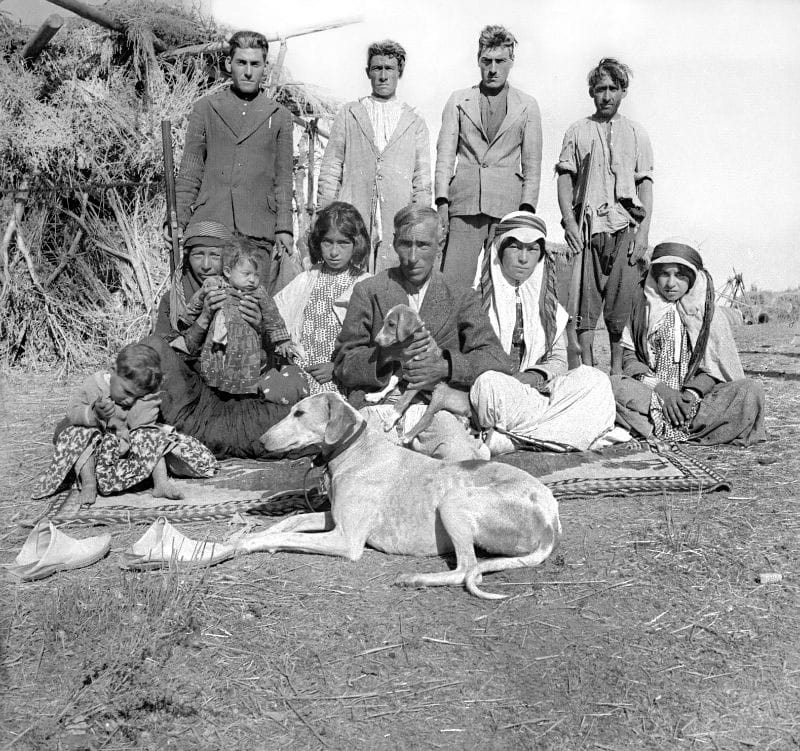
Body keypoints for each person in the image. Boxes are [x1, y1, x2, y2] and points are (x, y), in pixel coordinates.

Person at [333, 204, 514, 460]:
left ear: (440, 246)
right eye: (406, 244)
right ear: (394, 243)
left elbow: (496, 358)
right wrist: (385, 356)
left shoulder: (461, 296)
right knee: (364, 465)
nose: (413, 257)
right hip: (380, 406)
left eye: (424, 245)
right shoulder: (369, 291)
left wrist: (446, 366)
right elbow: (343, 363)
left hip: (436, 410)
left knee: (458, 458)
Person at [470, 212, 617, 454]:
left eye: (532, 250)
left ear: (541, 255)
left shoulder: (550, 307)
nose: (523, 258)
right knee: (488, 385)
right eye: (515, 247)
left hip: (539, 393)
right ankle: (560, 433)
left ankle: (514, 440)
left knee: (596, 380)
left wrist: (533, 377)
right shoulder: (474, 300)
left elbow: (559, 361)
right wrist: (509, 381)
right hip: (503, 395)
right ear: (499, 249)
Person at [148, 220, 297, 459]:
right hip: (198, 390)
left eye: (214, 255)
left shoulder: (253, 291)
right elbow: (168, 354)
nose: (206, 265)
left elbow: (274, 338)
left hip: (244, 385)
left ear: (228, 262)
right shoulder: (174, 298)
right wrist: (203, 319)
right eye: (198, 255)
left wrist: (258, 326)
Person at [610, 241, 765, 445]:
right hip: (651, 395)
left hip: (695, 402)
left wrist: (689, 395)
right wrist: (662, 390)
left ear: (692, 278)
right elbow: (630, 358)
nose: (671, 283)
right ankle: (665, 423)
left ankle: (657, 426)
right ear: (655, 276)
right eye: (665, 274)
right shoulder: (643, 308)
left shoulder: (708, 313)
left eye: (680, 275)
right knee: (611, 386)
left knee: (751, 390)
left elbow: (714, 368)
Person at [174, 30, 294, 293]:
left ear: (265, 67)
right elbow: (190, 170)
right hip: (211, 226)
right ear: (229, 65)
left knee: (254, 309)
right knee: (205, 306)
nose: (248, 72)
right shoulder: (205, 109)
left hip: (257, 227)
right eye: (241, 63)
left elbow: (284, 178)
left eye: (255, 64)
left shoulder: (280, 116)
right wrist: (177, 219)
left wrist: (284, 228)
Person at [556, 57, 654, 374]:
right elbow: (565, 178)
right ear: (592, 93)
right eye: (601, 89)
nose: (607, 96)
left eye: (613, 88)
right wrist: (569, 223)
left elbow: (645, 184)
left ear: (623, 91)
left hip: (625, 226)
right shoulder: (578, 131)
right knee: (585, 303)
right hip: (588, 228)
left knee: (620, 303)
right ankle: (586, 369)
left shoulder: (637, 133)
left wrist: (643, 234)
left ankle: (616, 370)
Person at [32, 344, 217, 505]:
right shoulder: (93, 386)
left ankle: (160, 482)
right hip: (96, 448)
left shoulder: (137, 396)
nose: (129, 401)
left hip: (123, 450)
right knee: (81, 433)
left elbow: (141, 426)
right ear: (113, 371)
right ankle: (89, 483)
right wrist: (94, 413)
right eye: (127, 392)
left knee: (151, 434)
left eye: (135, 396)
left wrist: (148, 398)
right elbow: (73, 412)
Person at [435, 25, 542, 289]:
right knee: (452, 286)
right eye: (487, 61)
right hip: (464, 207)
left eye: (500, 61)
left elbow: (532, 165)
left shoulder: (527, 105)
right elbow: (445, 156)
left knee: (502, 289)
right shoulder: (459, 100)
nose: (493, 68)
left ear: (511, 62)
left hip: (507, 210)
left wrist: (526, 210)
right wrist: (442, 201)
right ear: (478, 60)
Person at [317, 40, 431, 273]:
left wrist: (419, 225)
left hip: (396, 217)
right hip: (354, 213)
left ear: (400, 72)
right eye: (377, 68)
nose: (383, 75)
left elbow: (422, 181)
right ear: (368, 72)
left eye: (389, 68)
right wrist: (323, 214)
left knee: (392, 281)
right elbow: (331, 168)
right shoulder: (350, 113)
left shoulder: (414, 122)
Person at [274, 202, 371, 396]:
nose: (334, 252)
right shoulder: (306, 280)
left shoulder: (364, 284)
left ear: (357, 243)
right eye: (328, 242)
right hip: (302, 374)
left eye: (343, 243)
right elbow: (277, 313)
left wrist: (337, 368)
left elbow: (372, 343)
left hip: (340, 378)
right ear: (318, 242)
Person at [187, 242, 296, 395]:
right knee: (216, 372)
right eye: (247, 274)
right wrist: (188, 316)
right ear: (227, 272)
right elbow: (197, 302)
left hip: (247, 347)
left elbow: (273, 316)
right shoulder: (216, 286)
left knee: (244, 378)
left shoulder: (259, 293)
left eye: (256, 275)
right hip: (219, 345)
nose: (252, 280)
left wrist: (282, 339)